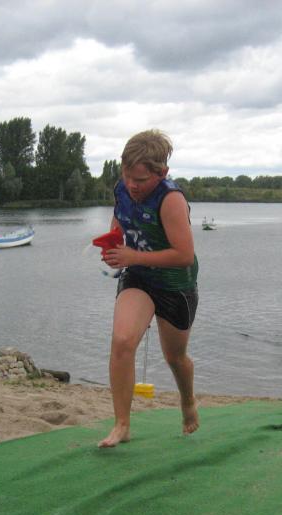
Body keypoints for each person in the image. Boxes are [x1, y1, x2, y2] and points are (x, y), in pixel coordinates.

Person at [98, 130, 199, 448]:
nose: (132, 185)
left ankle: (188, 401)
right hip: (139, 276)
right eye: (127, 176)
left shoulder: (171, 200)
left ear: (162, 173)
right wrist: (113, 245)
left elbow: (184, 255)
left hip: (175, 283)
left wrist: (133, 255)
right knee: (122, 341)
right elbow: (120, 221)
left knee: (175, 358)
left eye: (140, 180)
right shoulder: (122, 189)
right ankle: (122, 424)